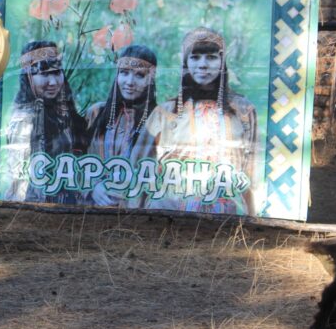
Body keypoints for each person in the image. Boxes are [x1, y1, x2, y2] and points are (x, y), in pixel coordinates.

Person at [131, 27, 258, 215]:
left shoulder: (243, 110)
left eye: (211, 57)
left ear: (222, 62)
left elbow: (251, 170)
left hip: (227, 213)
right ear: (185, 62)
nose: (203, 65)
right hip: (168, 211)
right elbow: (139, 167)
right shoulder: (166, 112)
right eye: (195, 57)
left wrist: (252, 217)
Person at [3, 40, 88, 204]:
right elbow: (21, 176)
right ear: (28, 78)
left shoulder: (67, 114)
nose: (53, 82)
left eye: (57, 73)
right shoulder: (23, 118)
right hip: (32, 204)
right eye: (44, 74)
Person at [84, 45, 157, 206]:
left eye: (139, 75)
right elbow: (77, 160)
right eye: (124, 73)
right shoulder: (96, 113)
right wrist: (93, 187)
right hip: (92, 208)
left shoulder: (158, 120)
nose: (130, 82)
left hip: (137, 211)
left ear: (150, 79)